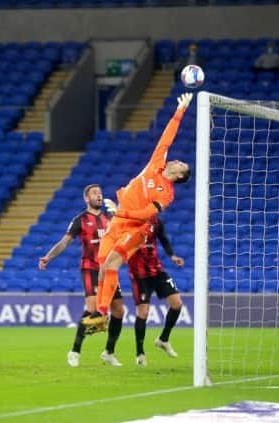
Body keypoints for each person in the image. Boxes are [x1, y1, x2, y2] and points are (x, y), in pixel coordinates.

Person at [82, 93, 192, 330]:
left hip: (136, 228)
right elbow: (167, 138)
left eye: (182, 164)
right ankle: (101, 315)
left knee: (111, 263)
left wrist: (120, 213)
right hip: (120, 220)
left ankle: (101, 315)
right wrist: (180, 110)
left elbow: (144, 215)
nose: (178, 160)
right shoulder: (157, 164)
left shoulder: (167, 194)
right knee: (103, 265)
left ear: (180, 175)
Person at [39, 184, 124, 367]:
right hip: (90, 269)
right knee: (93, 308)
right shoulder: (80, 220)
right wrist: (48, 257)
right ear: (87, 199)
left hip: (108, 270)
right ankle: (75, 351)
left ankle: (109, 352)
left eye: (100, 192)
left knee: (118, 310)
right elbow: (64, 242)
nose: (99, 195)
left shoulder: (110, 218)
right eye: (94, 193)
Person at [127, 215, 184, 366]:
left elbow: (163, 239)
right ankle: (140, 353)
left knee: (177, 304)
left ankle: (163, 339)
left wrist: (172, 256)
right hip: (139, 276)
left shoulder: (155, 220)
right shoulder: (128, 220)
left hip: (157, 271)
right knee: (143, 313)